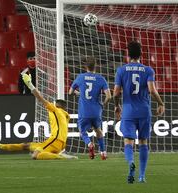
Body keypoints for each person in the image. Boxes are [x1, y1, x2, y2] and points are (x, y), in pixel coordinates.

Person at [0, 72, 77, 160]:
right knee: (26, 146)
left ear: (56, 105)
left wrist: (30, 85)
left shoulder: (55, 109)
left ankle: (60, 156)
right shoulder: (66, 115)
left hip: (55, 141)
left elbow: (40, 98)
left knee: (35, 155)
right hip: (59, 144)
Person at [113, 41, 165, 183]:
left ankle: (130, 162)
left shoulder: (121, 70)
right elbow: (152, 90)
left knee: (128, 141)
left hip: (128, 111)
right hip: (144, 110)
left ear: (128, 55)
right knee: (143, 142)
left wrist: (117, 106)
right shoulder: (148, 70)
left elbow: (116, 92)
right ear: (141, 54)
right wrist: (160, 103)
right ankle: (142, 176)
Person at [69, 57, 111, 160]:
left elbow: (70, 92)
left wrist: (79, 93)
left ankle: (89, 144)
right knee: (98, 130)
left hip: (84, 111)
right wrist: (103, 104)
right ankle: (103, 152)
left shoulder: (80, 77)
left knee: (82, 131)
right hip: (96, 111)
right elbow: (109, 96)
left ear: (85, 66)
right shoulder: (101, 79)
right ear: (95, 66)